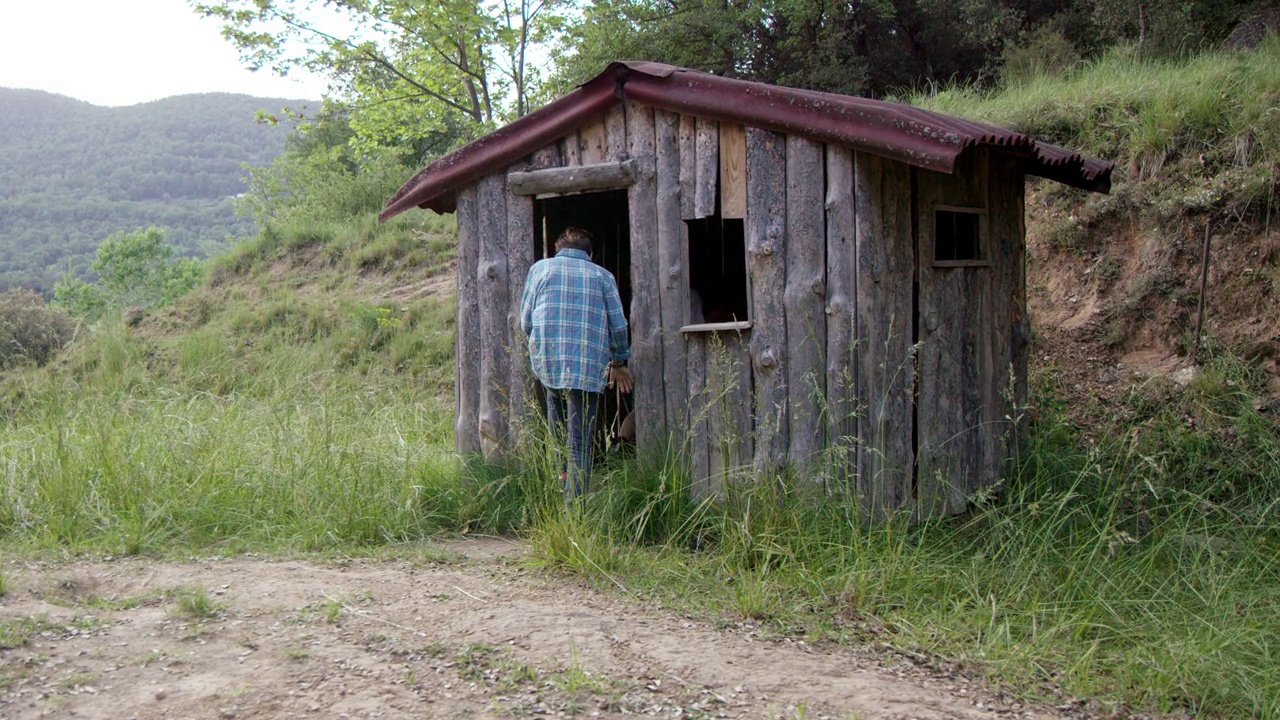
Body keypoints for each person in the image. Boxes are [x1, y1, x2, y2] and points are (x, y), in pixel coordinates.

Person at [520, 226, 632, 499]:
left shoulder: (540, 270)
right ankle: (575, 509)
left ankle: (561, 491)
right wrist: (618, 363)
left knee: (558, 436)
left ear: (558, 249)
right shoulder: (602, 276)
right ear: (589, 253)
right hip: (586, 369)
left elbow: (525, 321)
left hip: (549, 365)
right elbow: (618, 326)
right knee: (579, 443)